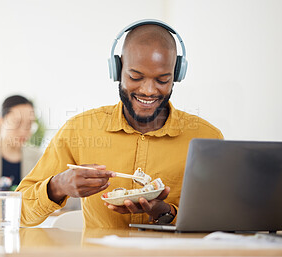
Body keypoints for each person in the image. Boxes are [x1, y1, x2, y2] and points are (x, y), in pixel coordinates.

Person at [16, 20, 223, 229]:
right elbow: (19, 212)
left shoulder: (206, 138)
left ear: (177, 75)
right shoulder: (80, 130)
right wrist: (58, 186)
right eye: (135, 77)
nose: (149, 90)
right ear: (117, 70)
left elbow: (221, 220)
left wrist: (165, 213)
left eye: (162, 80)